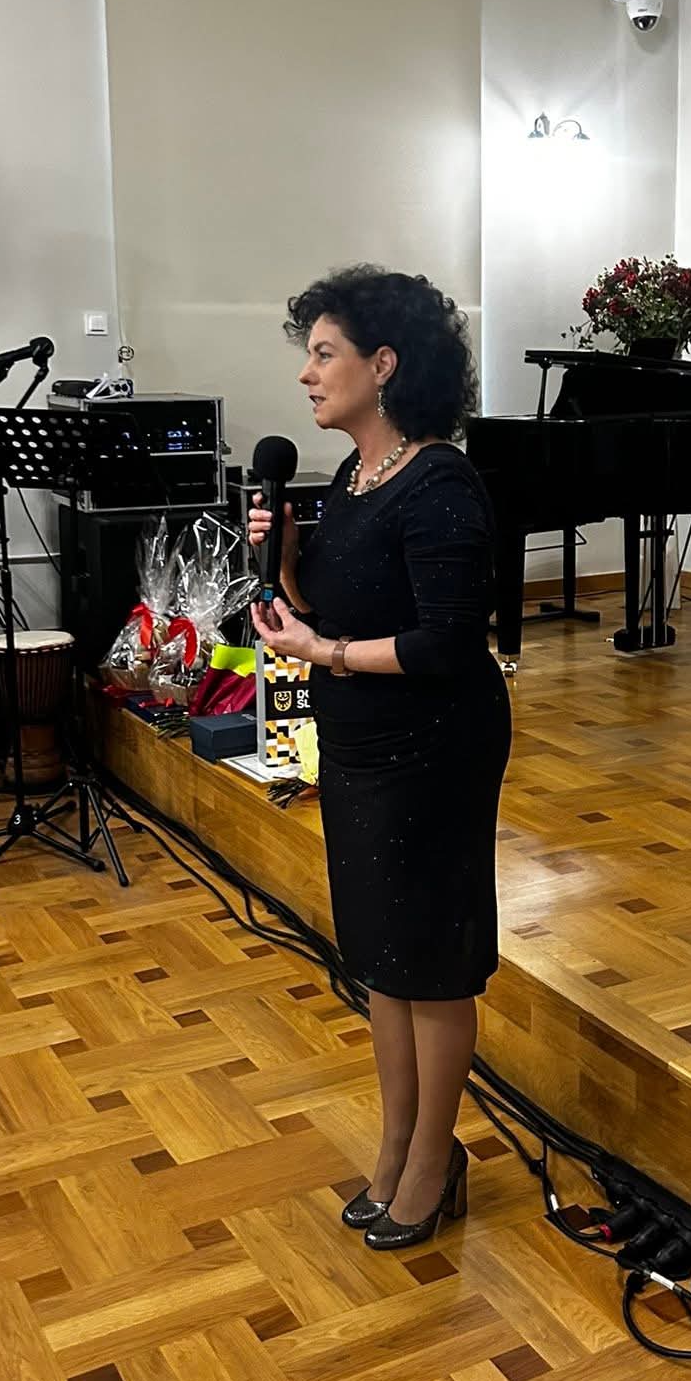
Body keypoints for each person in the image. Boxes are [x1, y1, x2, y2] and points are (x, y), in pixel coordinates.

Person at [248, 266, 510, 1252]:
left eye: (324, 353)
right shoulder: (351, 480)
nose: (307, 374)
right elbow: (329, 609)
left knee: (432, 962)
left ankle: (434, 1161)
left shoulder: (440, 482)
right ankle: (399, 1145)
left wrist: (322, 652)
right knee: (385, 959)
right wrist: (284, 563)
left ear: (384, 364)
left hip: (434, 744)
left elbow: (445, 640)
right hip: (360, 742)